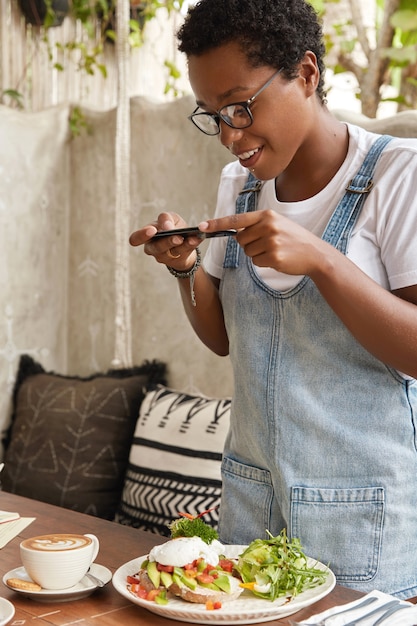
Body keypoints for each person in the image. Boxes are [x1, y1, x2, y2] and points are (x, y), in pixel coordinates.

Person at [129, 0, 417, 598]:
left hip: (363, 526)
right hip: (250, 519)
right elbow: (226, 339)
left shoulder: (398, 178)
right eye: (212, 115)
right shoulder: (241, 183)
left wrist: (321, 259)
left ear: (306, 74)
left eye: (241, 105)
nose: (231, 135)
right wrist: (186, 269)